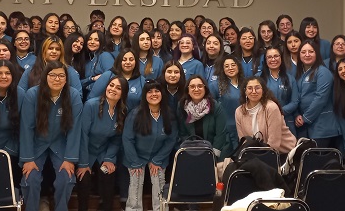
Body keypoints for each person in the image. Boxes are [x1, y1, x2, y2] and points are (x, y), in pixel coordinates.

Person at [19, 61, 83, 211]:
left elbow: (75, 129)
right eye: (52, 75)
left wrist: (69, 159)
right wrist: (28, 159)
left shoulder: (73, 95)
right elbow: (26, 128)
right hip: (36, 143)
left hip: (59, 142)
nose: (57, 79)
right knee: (31, 178)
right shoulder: (32, 94)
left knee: (66, 179)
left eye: (61, 75)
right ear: (44, 77)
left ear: (66, 78)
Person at [122, 79, 177, 211]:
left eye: (157, 91)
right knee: (136, 183)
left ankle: (161, 209)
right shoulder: (135, 114)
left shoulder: (168, 114)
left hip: (158, 157)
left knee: (158, 183)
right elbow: (127, 139)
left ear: (162, 93)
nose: (153, 94)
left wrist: (157, 160)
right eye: (149, 91)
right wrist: (135, 162)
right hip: (136, 156)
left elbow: (171, 139)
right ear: (144, 95)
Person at [76, 76, 129, 211]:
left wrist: (109, 158)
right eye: (111, 85)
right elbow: (82, 135)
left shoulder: (122, 110)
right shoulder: (91, 105)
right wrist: (83, 163)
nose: (113, 89)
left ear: (123, 93)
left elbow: (117, 139)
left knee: (108, 173)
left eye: (118, 88)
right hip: (86, 151)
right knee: (84, 178)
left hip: (103, 152)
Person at [235, 77, 297, 155]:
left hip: (283, 153)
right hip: (256, 155)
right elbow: (243, 141)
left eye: (257, 88)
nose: (254, 91)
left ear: (263, 90)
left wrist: (260, 158)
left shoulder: (271, 107)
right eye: (250, 88)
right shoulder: (239, 111)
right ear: (245, 91)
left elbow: (273, 143)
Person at [293, 41, 339, 147]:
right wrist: (297, 115)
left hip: (322, 126)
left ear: (317, 54)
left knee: (319, 160)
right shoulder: (300, 74)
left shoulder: (323, 72)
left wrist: (305, 118)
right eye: (303, 52)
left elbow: (321, 98)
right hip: (306, 124)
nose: (307, 54)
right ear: (299, 55)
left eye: (311, 51)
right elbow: (296, 97)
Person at [176, 75, 232, 160]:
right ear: (187, 90)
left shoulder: (215, 106)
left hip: (214, 152)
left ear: (205, 89)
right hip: (190, 152)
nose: (196, 89)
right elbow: (182, 133)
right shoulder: (182, 106)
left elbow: (221, 134)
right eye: (192, 86)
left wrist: (211, 155)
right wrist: (192, 152)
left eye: (200, 86)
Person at [258, 46, 298, 135]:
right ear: (265, 60)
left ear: (281, 58)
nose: (273, 59)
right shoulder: (258, 78)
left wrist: (278, 111)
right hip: (265, 120)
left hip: (286, 120)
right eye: (269, 57)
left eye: (276, 56)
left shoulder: (290, 78)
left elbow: (295, 102)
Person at [209, 54, 244, 147]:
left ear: (238, 66)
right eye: (226, 66)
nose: (230, 68)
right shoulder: (216, 85)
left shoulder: (246, 84)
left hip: (244, 128)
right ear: (222, 69)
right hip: (225, 130)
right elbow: (210, 108)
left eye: (233, 65)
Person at [82, 30, 114, 96]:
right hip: (85, 96)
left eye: (96, 40)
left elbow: (111, 78)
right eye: (90, 39)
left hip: (99, 98)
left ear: (102, 43)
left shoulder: (105, 55)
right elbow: (80, 83)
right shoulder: (86, 59)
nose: (92, 42)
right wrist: (92, 79)